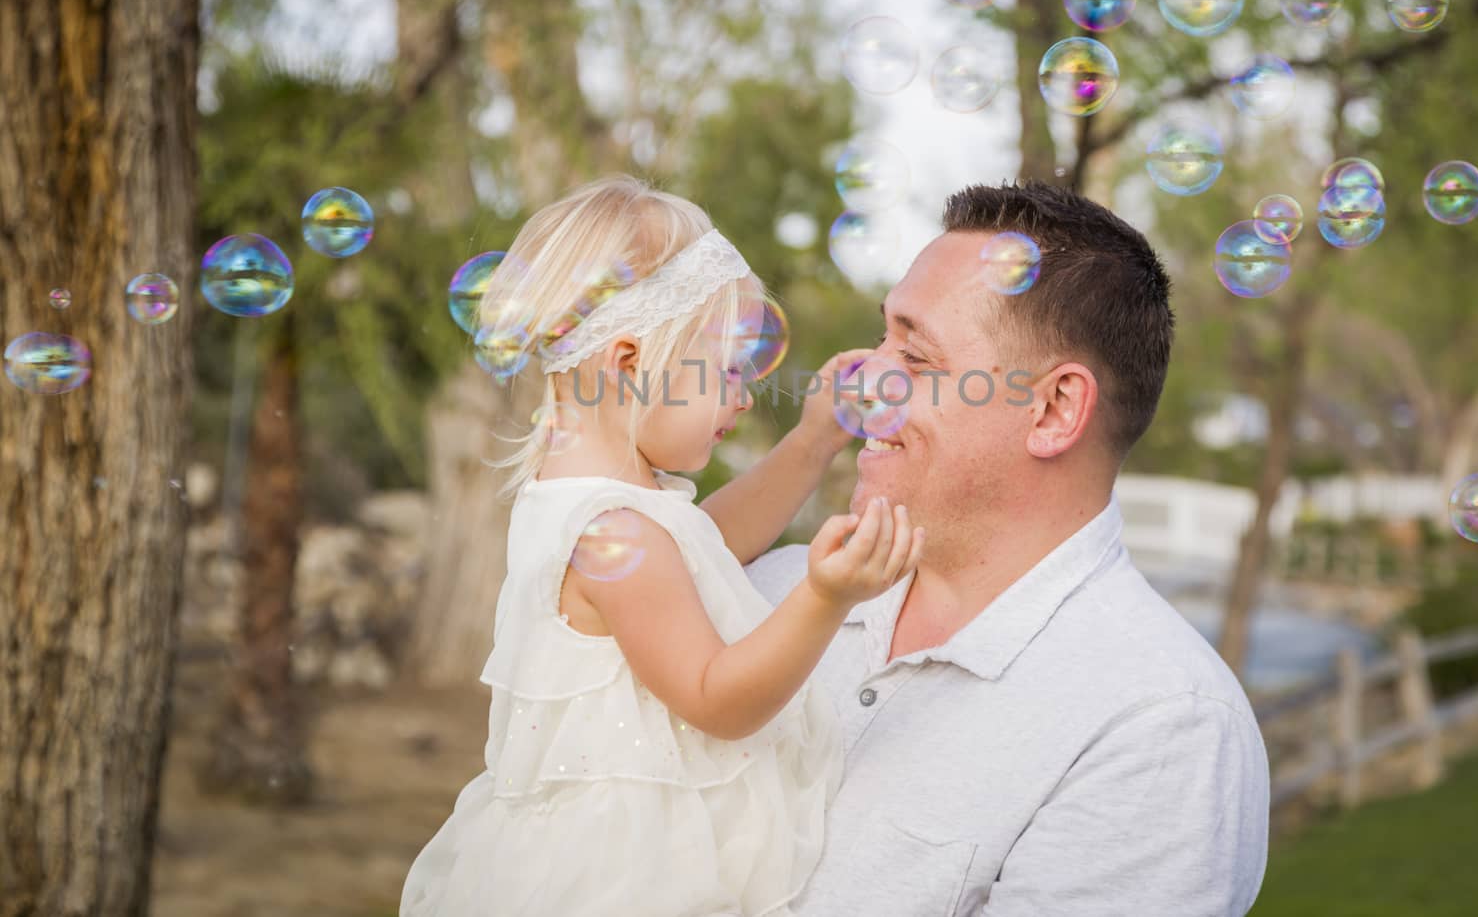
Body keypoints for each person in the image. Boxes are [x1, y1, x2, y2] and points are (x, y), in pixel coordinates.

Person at [743, 181, 1272, 916]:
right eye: (881, 339)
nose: (863, 381)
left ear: (1054, 410)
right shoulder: (763, 591)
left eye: (916, 356)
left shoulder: (1160, 730)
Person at [399, 175, 922, 917]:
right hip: (624, 879)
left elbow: (707, 540)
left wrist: (812, 442)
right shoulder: (613, 532)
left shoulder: (611, 505)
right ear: (626, 363)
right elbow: (717, 697)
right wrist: (824, 597)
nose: (743, 397)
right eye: (728, 369)